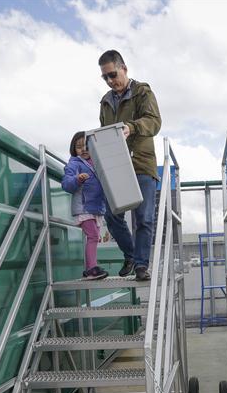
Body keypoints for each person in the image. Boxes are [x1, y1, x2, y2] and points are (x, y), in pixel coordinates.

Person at [98, 49, 162, 281]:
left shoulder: (142, 91)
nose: (110, 80)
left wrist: (131, 127)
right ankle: (131, 255)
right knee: (112, 215)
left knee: (143, 218)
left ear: (124, 68)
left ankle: (142, 265)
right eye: (105, 77)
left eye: (113, 74)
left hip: (142, 163)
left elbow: (154, 122)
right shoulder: (105, 102)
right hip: (116, 167)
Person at [62, 131, 109, 281]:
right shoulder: (74, 164)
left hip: (95, 208)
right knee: (93, 236)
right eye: (79, 147)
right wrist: (77, 179)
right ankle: (91, 269)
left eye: (87, 145)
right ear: (74, 149)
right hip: (84, 207)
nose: (83, 149)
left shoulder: (97, 163)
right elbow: (66, 184)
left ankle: (91, 267)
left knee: (94, 237)